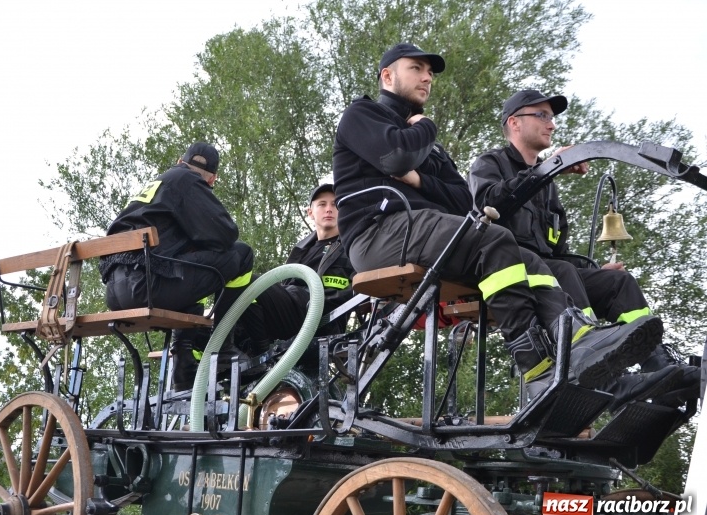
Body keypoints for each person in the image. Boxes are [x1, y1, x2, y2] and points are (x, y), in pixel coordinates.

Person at [332, 43, 664, 403]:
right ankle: (537, 361)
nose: (427, 77)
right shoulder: (362, 114)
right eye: (416, 68)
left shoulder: (432, 149)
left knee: (528, 259)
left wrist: (419, 181)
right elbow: (397, 155)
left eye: (429, 72)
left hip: (420, 230)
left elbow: (460, 199)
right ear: (387, 76)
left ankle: (582, 354)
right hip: (376, 235)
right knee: (493, 239)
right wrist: (426, 126)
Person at [468, 89, 698, 408]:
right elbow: (489, 205)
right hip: (508, 270)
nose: (552, 124)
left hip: (549, 273)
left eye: (553, 117)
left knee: (618, 284)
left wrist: (593, 274)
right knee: (561, 270)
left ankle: (662, 373)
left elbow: (558, 253)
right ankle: (597, 368)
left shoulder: (548, 190)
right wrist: (546, 169)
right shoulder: (489, 163)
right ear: (515, 123)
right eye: (543, 115)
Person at [99, 142, 255, 391]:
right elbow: (226, 234)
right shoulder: (187, 180)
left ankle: (183, 370)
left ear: (180, 160)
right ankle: (224, 347)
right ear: (212, 180)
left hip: (116, 293)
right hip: (147, 286)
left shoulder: (156, 186)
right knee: (242, 254)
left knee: (192, 288)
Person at [232, 183, 357, 355]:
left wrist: (318, 302)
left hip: (317, 316)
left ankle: (261, 352)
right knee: (227, 304)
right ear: (310, 213)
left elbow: (359, 290)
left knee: (248, 281)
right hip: (289, 309)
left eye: (335, 204)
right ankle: (237, 352)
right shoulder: (301, 250)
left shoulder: (353, 247)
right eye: (322, 204)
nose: (329, 209)